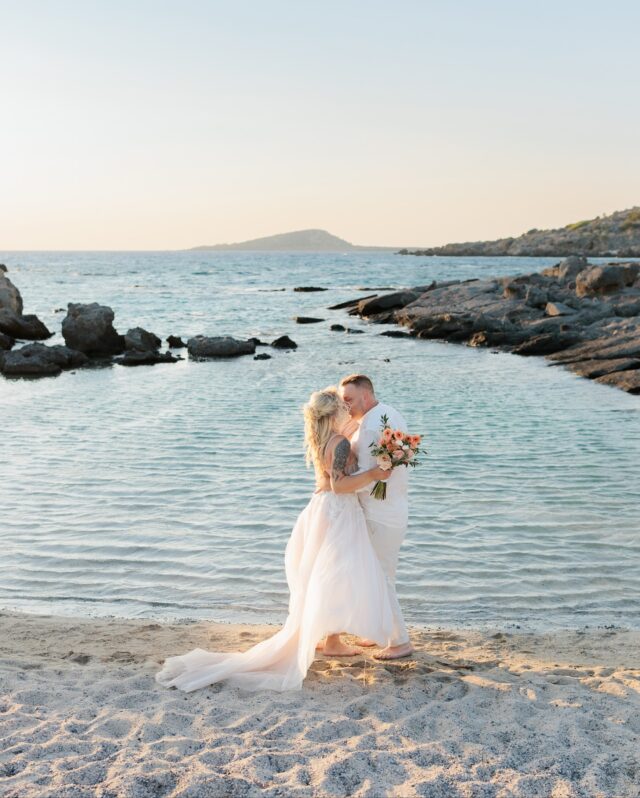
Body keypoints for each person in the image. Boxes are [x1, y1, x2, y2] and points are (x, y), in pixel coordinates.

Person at [155, 386, 401, 693]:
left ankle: (333, 640)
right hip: (338, 512)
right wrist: (376, 474)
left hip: (326, 511)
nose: (347, 410)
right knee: (335, 575)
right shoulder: (338, 443)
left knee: (330, 575)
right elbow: (339, 485)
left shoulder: (326, 438)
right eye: (343, 406)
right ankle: (333, 640)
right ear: (333, 412)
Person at [338, 374, 414, 660]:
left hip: (379, 511)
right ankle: (378, 632)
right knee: (380, 574)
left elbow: (370, 479)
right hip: (394, 506)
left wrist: (340, 481)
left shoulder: (370, 427)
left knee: (381, 578)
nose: (345, 406)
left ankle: (399, 642)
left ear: (366, 397)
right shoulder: (390, 413)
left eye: (349, 400)